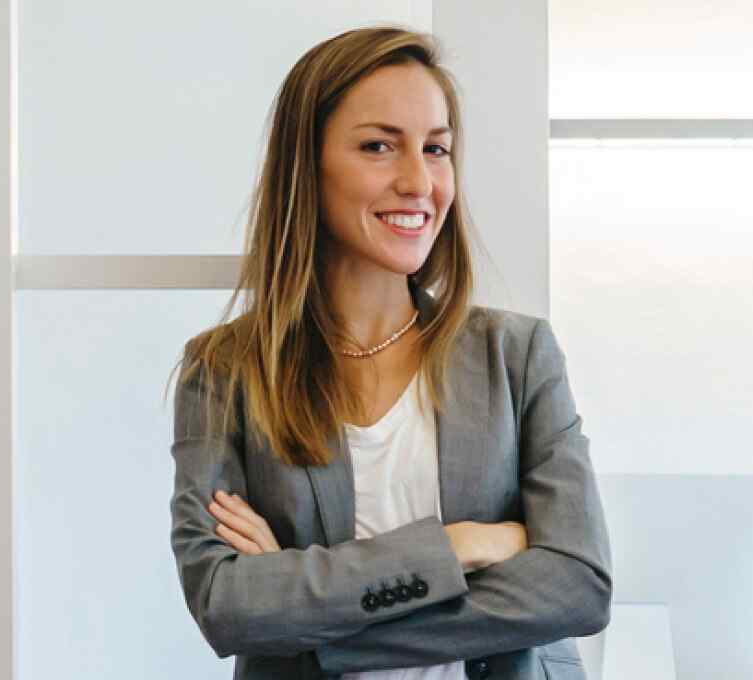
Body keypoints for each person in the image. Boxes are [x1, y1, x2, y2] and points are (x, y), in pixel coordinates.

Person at [165, 25, 612, 680]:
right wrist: (459, 547)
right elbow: (226, 605)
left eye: (436, 149)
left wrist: (313, 622)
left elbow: (578, 586)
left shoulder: (517, 356)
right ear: (307, 166)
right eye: (378, 146)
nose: (418, 180)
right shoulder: (226, 371)